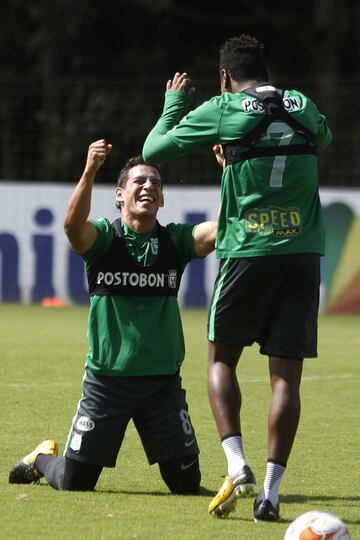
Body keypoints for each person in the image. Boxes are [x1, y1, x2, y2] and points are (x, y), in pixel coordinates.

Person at [142, 34, 332, 522]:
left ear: (224, 76)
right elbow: (322, 139)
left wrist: (173, 105)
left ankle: (236, 463)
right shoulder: (303, 104)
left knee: (220, 358)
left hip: (248, 250)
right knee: (286, 378)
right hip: (304, 254)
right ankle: (271, 492)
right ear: (265, 71)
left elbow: (154, 149)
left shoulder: (225, 107)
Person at [9, 139, 216, 494]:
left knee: (186, 484)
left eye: (155, 183)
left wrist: (232, 172)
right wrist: (90, 170)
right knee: (76, 483)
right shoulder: (105, 239)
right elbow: (74, 229)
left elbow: (223, 229)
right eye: (139, 181)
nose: (149, 186)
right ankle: (42, 458)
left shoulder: (176, 242)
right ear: (120, 195)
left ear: (163, 199)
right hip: (107, 383)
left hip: (161, 385)